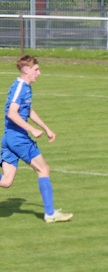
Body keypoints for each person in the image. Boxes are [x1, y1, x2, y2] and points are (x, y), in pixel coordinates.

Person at [0, 55, 73, 223]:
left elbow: (28, 110)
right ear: (26, 70)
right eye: (36, 70)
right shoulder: (20, 87)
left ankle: (50, 213)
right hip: (18, 139)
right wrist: (32, 129)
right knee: (43, 169)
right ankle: (50, 213)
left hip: (10, 138)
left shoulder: (25, 87)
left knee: (6, 181)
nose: (39, 73)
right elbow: (11, 113)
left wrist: (46, 128)